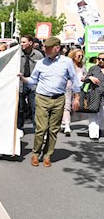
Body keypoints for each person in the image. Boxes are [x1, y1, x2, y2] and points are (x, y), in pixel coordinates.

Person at [18, 36, 81, 167]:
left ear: (57, 48)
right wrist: (23, 79)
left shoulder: (67, 62)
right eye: (45, 48)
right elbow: (33, 80)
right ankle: (35, 153)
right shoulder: (41, 63)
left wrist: (76, 98)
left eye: (48, 48)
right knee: (41, 128)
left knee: (53, 129)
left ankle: (47, 155)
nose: (45, 50)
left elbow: (74, 81)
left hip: (58, 99)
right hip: (42, 97)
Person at [17, 35, 44, 138]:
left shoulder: (38, 55)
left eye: (24, 42)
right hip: (20, 83)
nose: (22, 44)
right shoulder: (17, 54)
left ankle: (37, 127)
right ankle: (19, 127)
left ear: (30, 43)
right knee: (20, 107)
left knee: (35, 107)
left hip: (33, 84)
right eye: (21, 42)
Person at [62, 49, 87, 136]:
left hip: (79, 88)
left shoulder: (83, 67)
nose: (80, 58)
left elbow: (86, 75)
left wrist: (85, 78)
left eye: (81, 56)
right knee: (67, 106)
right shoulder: (69, 65)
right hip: (68, 87)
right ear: (73, 56)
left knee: (75, 107)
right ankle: (67, 126)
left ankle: (64, 121)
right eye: (78, 56)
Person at [84, 52, 104, 142]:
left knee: (102, 115)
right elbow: (85, 79)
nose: (100, 61)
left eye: (103, 59)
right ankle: (93, 135)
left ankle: (100, 129)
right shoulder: (93, 68)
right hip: (94, 94)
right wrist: (90, 78)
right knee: (93, 115)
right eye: (99, 59)